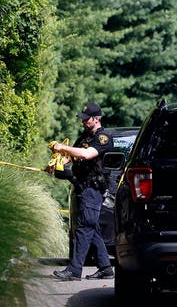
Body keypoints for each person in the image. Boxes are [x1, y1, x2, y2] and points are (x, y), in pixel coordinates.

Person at [49, 103, 114, 281]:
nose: (83, 122)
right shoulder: (84, 138)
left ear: (96, 119)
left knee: (84, 227)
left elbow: (86, 155)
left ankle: (74, 271)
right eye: (82, 119)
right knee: (92, 228)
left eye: (86, 119)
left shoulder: (103, 138)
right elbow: (71, 157)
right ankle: (106, 268)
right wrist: (55, 163)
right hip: (82, 187)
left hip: (93, 189)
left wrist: (62, 148)